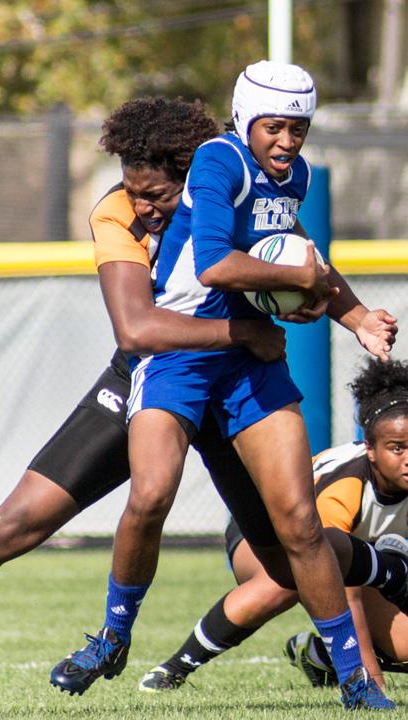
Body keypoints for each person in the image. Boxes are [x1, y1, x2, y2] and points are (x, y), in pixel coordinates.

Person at [51, 60, 398, 711]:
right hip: (181, 352)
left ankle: (356, 681)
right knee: (150, 494)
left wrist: (356, 319)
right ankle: (112, 636)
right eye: (275, 126)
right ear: (245, 119)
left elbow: (298, 247)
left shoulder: (290, 176)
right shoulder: (218, 161)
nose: (288, 141)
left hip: (249, 360)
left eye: (299, 127)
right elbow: (213, 265)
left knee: (298, 520)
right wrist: (298, 283)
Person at [0, 99, 286, 647]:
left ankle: (373, 603)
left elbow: (297, 268)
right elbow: (135, 329)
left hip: (233, 387)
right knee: (17, 521)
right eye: (132, 190)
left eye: (155, 194)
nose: (141, 206)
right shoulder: (118, 212)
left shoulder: (238, 194)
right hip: (148, 378)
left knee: (295, 551)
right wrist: (243, 333)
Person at [139, 357, 408, 695]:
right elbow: (333, 577)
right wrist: (371, 684)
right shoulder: (346, 488)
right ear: (370, 449)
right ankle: (176, 666)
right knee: (293, 577)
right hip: (265, 537)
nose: (407, 458)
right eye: (397, 448)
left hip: (363, 562)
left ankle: (318, 655)